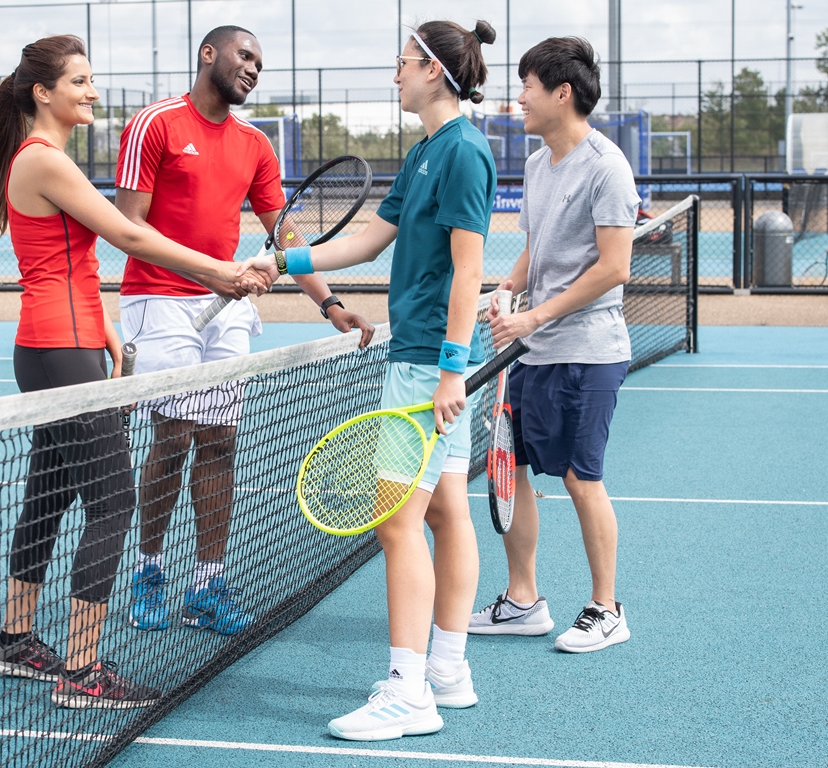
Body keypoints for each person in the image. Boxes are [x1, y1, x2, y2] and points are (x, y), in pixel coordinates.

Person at [0, 34, 266, 710]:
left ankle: (15, 639)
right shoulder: (44, 159)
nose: (93, 92)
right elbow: (130, 235)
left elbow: (71, 265)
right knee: (113, 504)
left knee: (48, 497)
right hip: (60, 351)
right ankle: (82, 671)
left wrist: (108, 334)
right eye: (79, 81)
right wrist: (221, 271)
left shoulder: (43, 158)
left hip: (61, 346)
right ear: (42, 93)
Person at [249, 19, 497, 741]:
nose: (395, 75)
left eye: (402, 64)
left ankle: (407, 691)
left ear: (433, 71)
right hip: (427, 359)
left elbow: (469, 270)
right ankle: (446, 669)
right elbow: (367, 241)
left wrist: (450, 370)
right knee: (446, 513)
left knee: (396, 525)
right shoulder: (426, 150)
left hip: (428, 363)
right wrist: (283, 263)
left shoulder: (462, 152)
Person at [114, 25, 374, 637]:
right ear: (209, 54)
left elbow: (286, 234)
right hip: (160, 302)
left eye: (261, 62)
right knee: (173, 438)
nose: (254, 67)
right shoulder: (155, 124)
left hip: (225, 305)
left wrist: (331, 303)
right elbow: (128, 224)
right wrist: (212, 272)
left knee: (221, 442)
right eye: (245, 55)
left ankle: (207, 585)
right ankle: (149, 572)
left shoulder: (256, 144)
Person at [467, 37, 639, 653]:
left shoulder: (607, 167)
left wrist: (534, 316)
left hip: (589, 353)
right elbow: (537, 247)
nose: (518, 98)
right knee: (510, 469)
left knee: (579, 478)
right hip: (533, 351)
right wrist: (506, 288)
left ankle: (606, 608)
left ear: (561, 93)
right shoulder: (539, 164)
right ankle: (522, 601)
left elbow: (614, 267)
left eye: (527, 86)